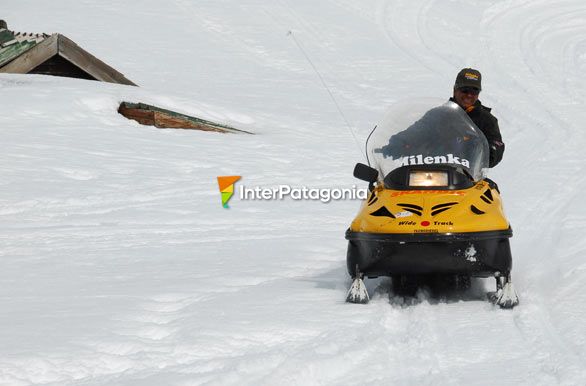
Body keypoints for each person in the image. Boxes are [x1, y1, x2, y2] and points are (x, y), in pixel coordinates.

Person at [450, 68, 504, 167]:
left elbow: (496, 148)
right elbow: (417, 132)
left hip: (470, 174)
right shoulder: (440, 113)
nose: (469, 95)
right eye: (465, 90)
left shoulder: (487, 120)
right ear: (455, 89)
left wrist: (488, 151)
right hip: (434, 170)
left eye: (474, 91)